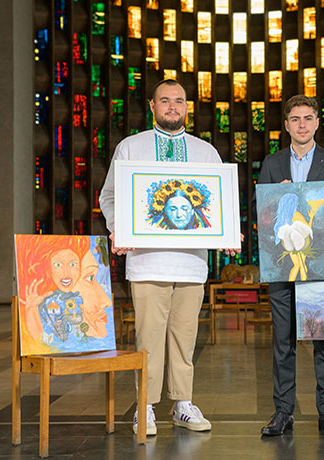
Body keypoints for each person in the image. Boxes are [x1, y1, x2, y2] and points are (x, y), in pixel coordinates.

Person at [99, 79, 240, 436]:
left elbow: (219, 201)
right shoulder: (131, 148)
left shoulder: (205, 151)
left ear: (187, 108)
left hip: (192, 264)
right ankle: (144, 406)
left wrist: (227, 231)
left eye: (178, 101)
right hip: (147, 261)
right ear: (152, 106)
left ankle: (182, 404)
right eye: (165, 101)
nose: (172, 107)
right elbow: (109, 197)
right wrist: (119, 228)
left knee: (184, 336)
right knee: (148, 336)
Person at [254, 95, 324, 438]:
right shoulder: (271, 162)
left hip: (323, 264)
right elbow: (262, 217)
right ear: (286, 125)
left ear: (316, 122)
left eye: (308, 118)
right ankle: (283, 412)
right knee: (282, 341)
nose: (301, 125)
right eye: (295, 119)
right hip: (283, 265)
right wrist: (275, 198)